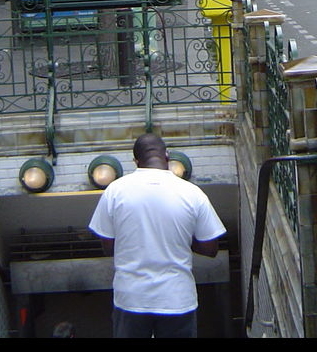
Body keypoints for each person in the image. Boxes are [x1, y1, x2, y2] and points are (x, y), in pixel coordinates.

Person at [89, 133, 226, 338]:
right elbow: (211, 248)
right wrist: (181, 239)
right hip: (177, 299)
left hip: (131, 299)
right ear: (167, 156)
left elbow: (108, 247)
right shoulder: (192, 193)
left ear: (136, 161)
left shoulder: (115, 191)